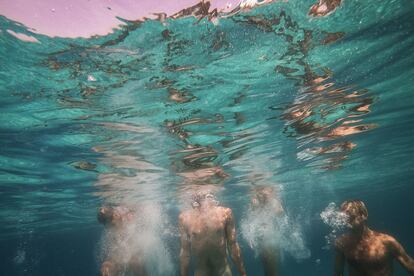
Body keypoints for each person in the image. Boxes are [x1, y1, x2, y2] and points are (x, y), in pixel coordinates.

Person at [334, 200, 414, 276]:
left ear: (364, 215)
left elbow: (409, 263)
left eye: (351, 217)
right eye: (345, 218)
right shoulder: (342, 243)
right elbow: (338, 273)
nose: (348, 221)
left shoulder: (387, 242)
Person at [179, 192, 247, 276]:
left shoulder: (225, 213)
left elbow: (233, 245)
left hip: (223, 271)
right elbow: (185, 253)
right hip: (201, 272)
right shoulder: (184, 218)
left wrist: (243, 273)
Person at [98, 206, 148, 276]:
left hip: (134, 246)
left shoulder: (129, 216)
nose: (110, 227)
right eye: (107, 224)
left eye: (111, 223)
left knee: (134, 262)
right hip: (118, 248)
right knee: (106, 268)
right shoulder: (110, 221)